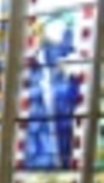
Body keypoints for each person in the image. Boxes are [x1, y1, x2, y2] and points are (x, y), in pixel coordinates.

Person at [24, 13, 82, 170]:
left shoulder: (68, 54)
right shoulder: (38, 58)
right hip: (41, 118)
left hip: (61, 115)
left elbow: (75, 93)